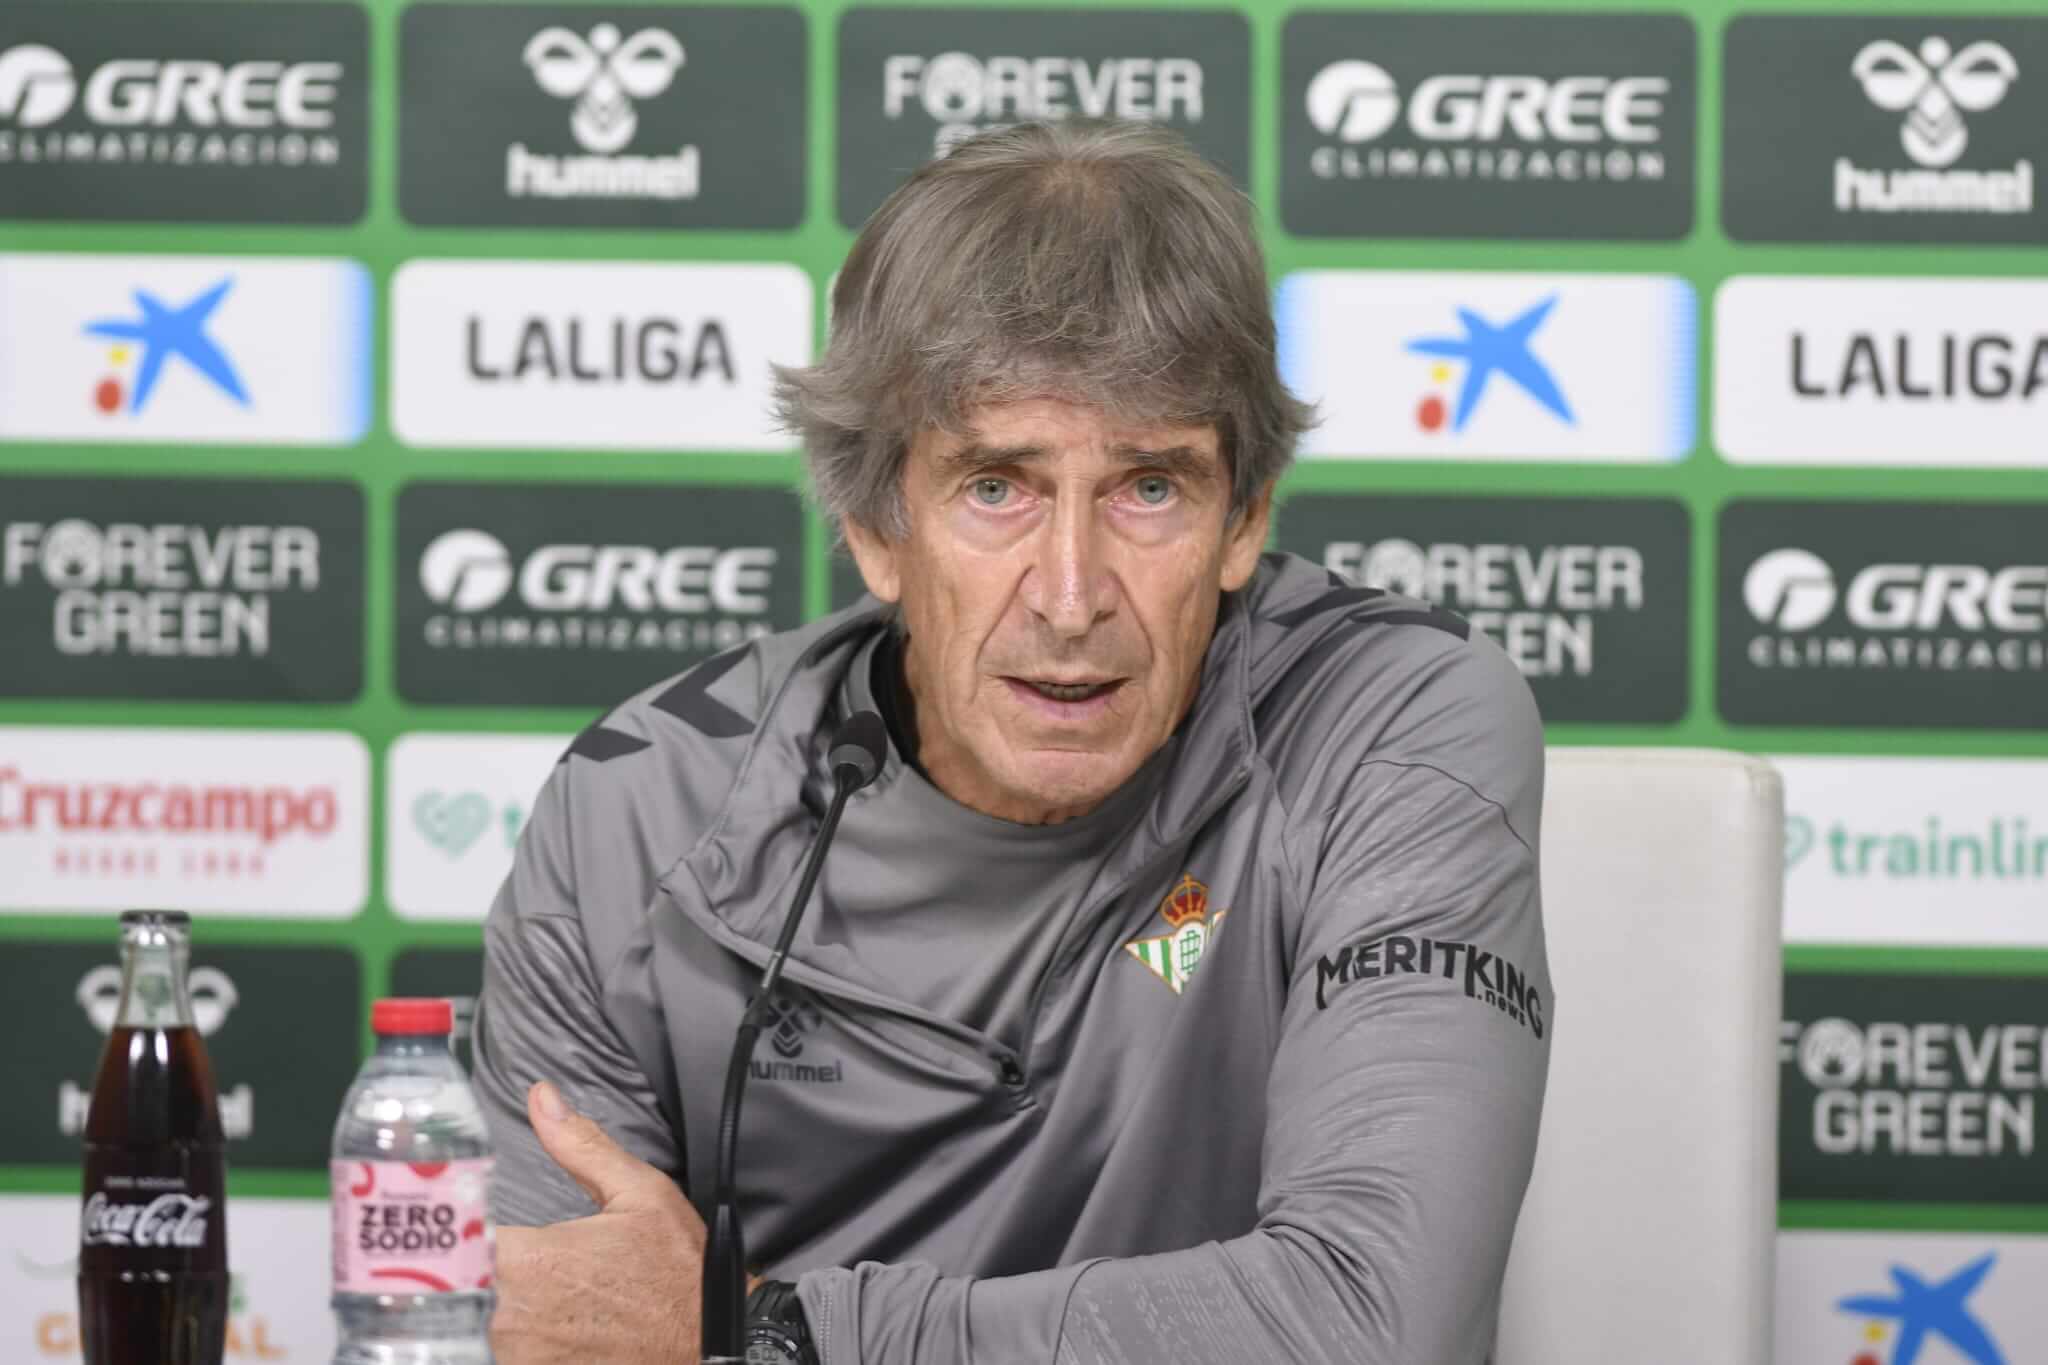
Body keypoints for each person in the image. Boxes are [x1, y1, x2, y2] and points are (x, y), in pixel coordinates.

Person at [474, 118, 1552, 1365]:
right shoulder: (644, 805)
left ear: (1244, 521)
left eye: (1150, 487)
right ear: (876, 527)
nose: (1070, 594)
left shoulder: (1393, 723)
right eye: (997, 487)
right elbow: (560, 1325)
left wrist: (770, 1333)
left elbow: (1377, 1321)